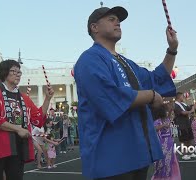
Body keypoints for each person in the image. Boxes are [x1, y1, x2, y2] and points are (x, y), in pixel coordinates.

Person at [74, 5, 178, 180]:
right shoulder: (89, 59)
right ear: (94, 27)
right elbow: (110, 97)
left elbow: (156, 79)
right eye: (111, 19)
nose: (118, 23)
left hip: (138, 155)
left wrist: (172, 49)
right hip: (110, 160)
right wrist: (151, 96)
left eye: (119, 20)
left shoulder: (127, 62)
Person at [0, 60, 54, 180]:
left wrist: (48, 99)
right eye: (14, 71)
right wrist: (17, 129)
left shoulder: (23, 97)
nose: (18, 74)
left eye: (19, 72)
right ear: (4, 73)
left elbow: (37, 118)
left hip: (17, 148)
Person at [151, 105, 181, 180]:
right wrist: (163, 125)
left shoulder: (167, 119)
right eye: (165, 111)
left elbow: (170, 115)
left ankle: (168, 176)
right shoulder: (157, 121)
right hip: (162, 143)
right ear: (161, 112)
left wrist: (171, 109)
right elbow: (154, 129)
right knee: (162, 161)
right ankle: (161, 177)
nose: (166, 112)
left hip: (169, 142)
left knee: (170, 161)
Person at [174, 92, 196, 160]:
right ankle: (184, 154)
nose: (183, 97)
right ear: (179, 96)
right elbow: (183, 112)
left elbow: (192, 109)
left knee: (189, 139)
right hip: (181, 125)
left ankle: (191, 153)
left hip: (187, 124)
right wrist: (190, 111)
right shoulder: (175, 105)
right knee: (183, 141)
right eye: (182, 96)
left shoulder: (183, 104)